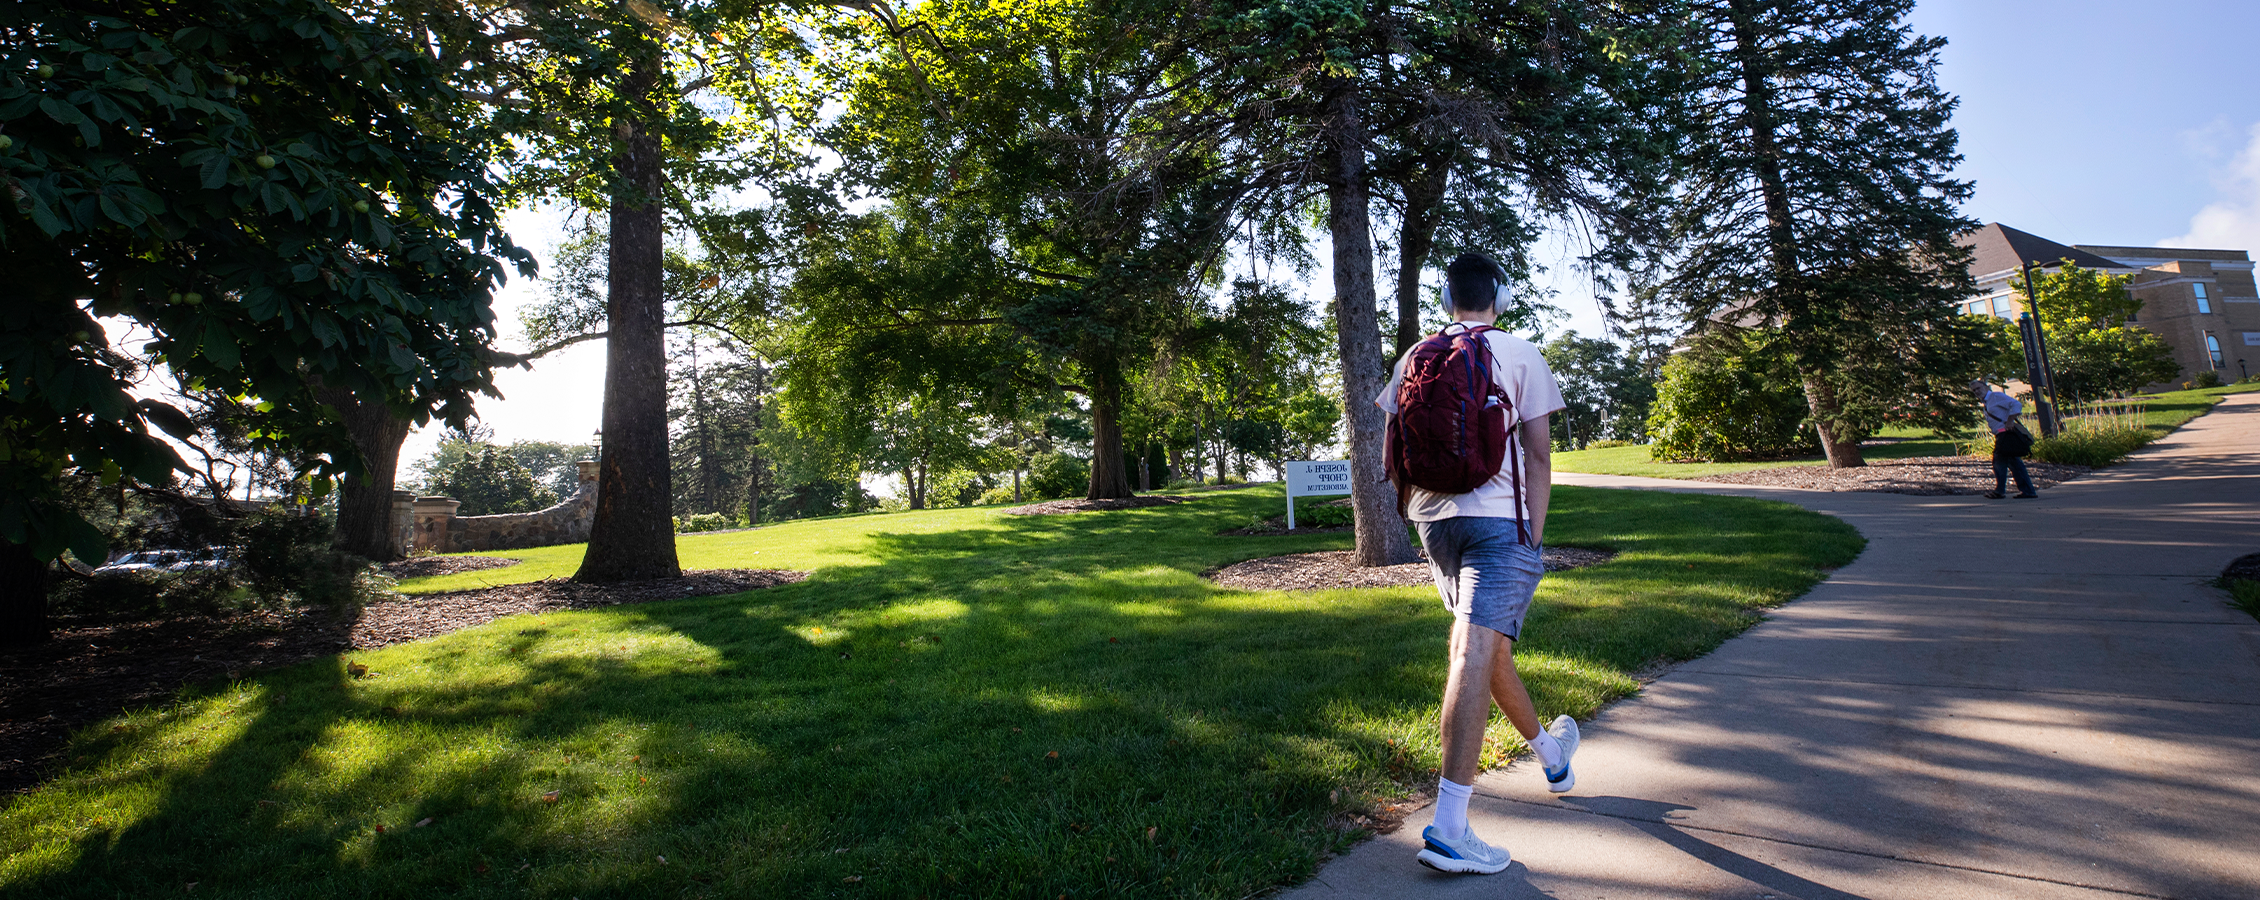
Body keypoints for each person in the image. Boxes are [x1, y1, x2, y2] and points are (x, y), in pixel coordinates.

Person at [1375, 252, 1577, 876]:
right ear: (1501, 297)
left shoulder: (1416, 356)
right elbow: (1539, 456)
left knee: (1488, 652)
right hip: (1497, 528)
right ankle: (1452, 827)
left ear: (1447, 302)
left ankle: (1552, 754)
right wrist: (1533, 537)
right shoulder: (1519, 353)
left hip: (1435, 524)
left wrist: (1421, 516)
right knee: (1470, 653)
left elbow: (1393, 446)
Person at [1974, 380, 2038, 500]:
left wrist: (2010, 420)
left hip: (2006, 434)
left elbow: (2016, 404)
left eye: (1978, 388)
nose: (1977, 391)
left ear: (1986, 386)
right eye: (1974, 390)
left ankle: (2000, 491)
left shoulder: (1996, 396)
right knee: (2014, 463)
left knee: (1999, 462)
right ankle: (2028, 490)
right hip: (2001, 435)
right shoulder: (1987, 402)